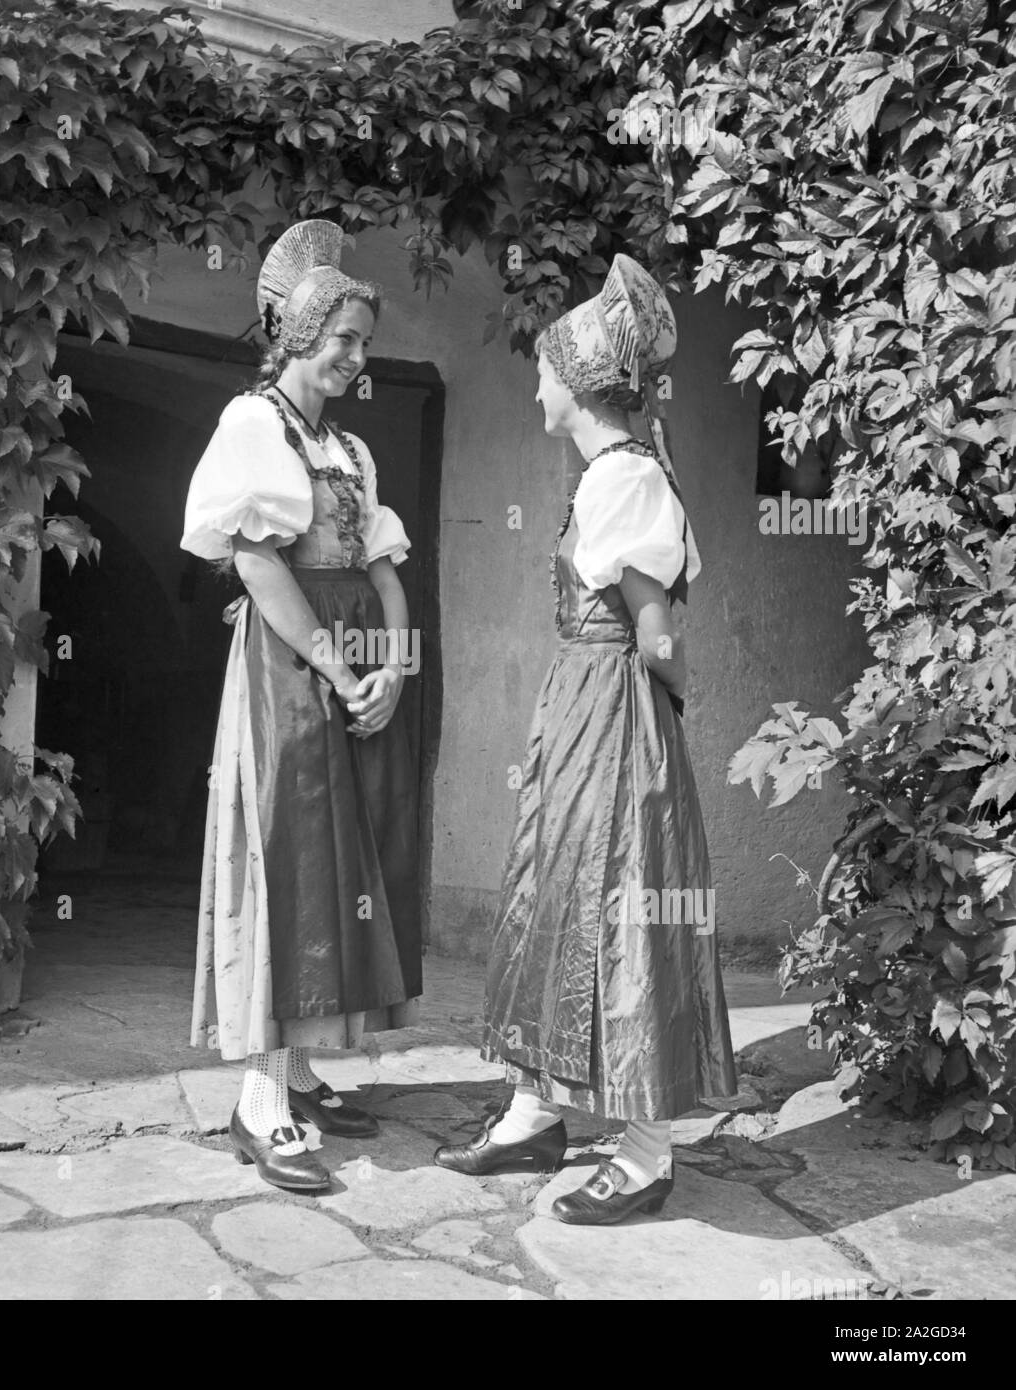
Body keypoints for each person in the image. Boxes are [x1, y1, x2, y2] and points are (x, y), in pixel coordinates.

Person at [434, 255, 736, 1224]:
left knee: (619, 910)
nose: (533, 383)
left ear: (577, 386)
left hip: (615, 714)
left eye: (543, 369)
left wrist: (665, 709)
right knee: (553, 896)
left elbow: (656, 633)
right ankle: (534, 1111)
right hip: (581, 712)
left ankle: (647, 1153)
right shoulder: (607, 476)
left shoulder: (626, 481)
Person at [181, 220, 422, 1194]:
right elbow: (253, 557)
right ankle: (258, 1098)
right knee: (290, 852)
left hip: (357, 665)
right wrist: (329, 662)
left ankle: (305, 1067)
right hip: (289, 665)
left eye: (364, 341)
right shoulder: (253, 425)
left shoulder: (350, 448)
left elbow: (381, 565)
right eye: (345, 341)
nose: (359, 359)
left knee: (347, 857)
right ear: (294, 334)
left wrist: (393, 665)